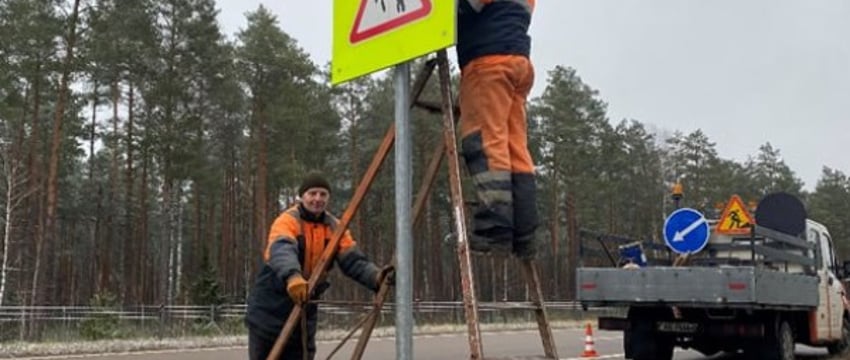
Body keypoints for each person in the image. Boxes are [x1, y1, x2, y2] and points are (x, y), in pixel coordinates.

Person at [245, 172, 394, 360]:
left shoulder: (335, 227)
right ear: (302, 196)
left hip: (304, 315)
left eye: (323, 194)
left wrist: (376, 277)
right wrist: (293, 276)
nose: (317, 199)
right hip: (269, 312)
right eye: (312, 193)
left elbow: (353, 261)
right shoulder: (287, 221)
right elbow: (281, 250)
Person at [456, 0, 538, 259]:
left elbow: (466, 7)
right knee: (516, 150)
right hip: (519, 63)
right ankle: (525, 234)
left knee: (485, 143)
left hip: (487, 61)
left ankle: (495, 229)